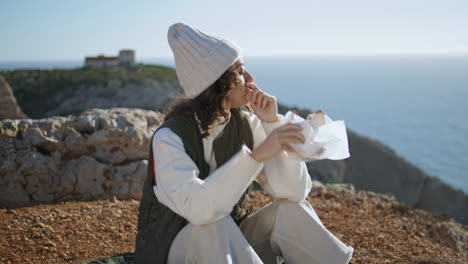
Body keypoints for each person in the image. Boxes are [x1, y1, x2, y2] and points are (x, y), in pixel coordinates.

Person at [134, 22, 354, 264]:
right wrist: (256, 156)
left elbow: (293, 192)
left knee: (290, 211)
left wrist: (271, 123)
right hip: (173, 254)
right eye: (239, 71)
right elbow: (199, 209)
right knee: (213, 224)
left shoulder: (245, 123)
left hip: (226, 246)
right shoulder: (169, 138)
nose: (250, 78)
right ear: (216, 82)